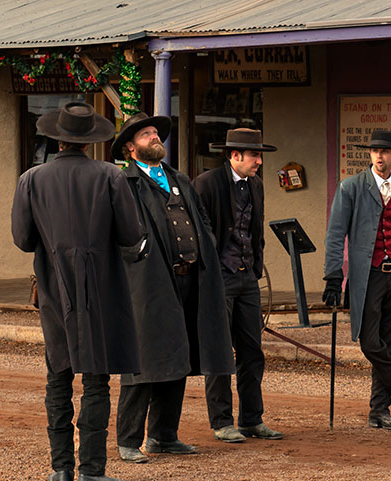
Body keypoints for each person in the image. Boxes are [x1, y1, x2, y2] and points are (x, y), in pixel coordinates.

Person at [11, 102, 147, 481]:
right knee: (96, 378)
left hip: (54, 286)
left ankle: (61, 471)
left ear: (57, 137)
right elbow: (129, 234)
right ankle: (91, 471)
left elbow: (22, 240)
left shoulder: (31, 180)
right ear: (90, 141)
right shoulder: (109, 176)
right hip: (101, 284)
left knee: (58, 374)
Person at [111, 112, 235, 462]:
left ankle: (164, 436)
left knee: (177, 357)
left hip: (189, 279)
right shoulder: (126, 183)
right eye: (146, 134)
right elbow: (118, 232)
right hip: (148, 283)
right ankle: (129, 440)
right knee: (145, 360)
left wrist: (206, 240)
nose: (154, 138)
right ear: (130, 148)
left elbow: (202, 218)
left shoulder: (178, 178)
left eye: (155, 133)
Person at [322, 129, 391, 431]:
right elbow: (335, 235)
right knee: (369, 342)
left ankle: (379, 410)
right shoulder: (351, 187)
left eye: (385, 151)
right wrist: (333, 276)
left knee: (388, 345)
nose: (379, 156)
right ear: (369, 154)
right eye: (374, 151)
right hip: (367, 277)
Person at [193, 128, 284, 443]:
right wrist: (209, 274)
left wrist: (255, 267)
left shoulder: (256, 185)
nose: (259, 161)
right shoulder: (206, 184)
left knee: (252, 350)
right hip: (219, 277)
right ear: (234, 156)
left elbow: (254, 229)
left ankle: (251, 419)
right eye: (254, 155)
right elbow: (196, 234)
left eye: (260, 155)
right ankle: (221, 421)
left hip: (247, 278)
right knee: (219, 351)